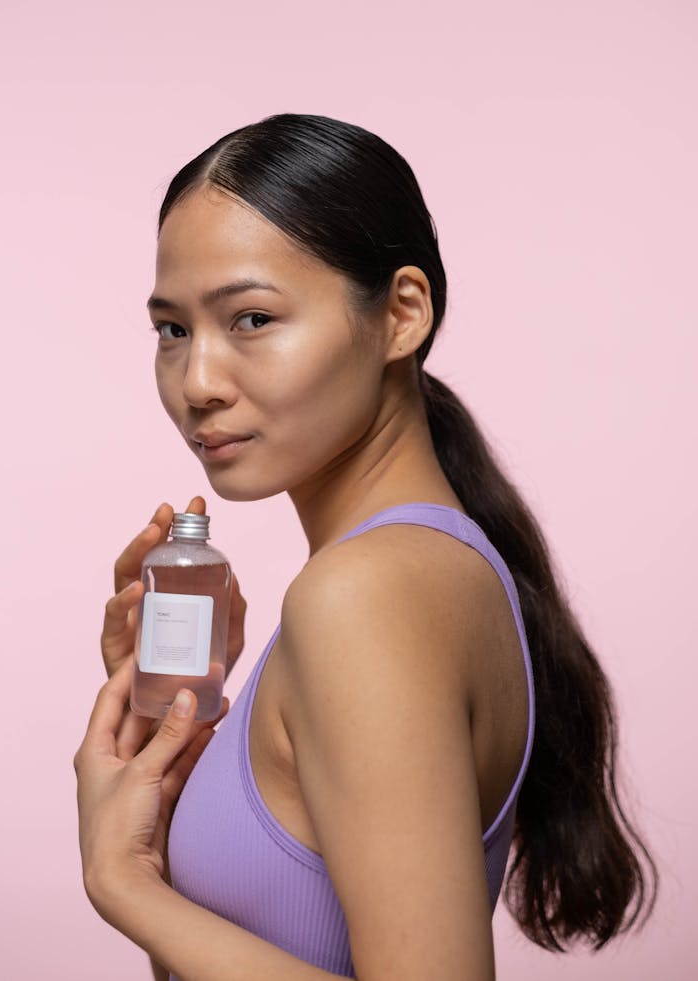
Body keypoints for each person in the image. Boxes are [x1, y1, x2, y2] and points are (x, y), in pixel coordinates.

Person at [74, 113, 657, 980]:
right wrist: (170, 733)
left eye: (253, 318)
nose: (197, 382)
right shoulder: (430, 567)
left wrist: (126, 885)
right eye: (173, 331)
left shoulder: (364, 593)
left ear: (402, 314)